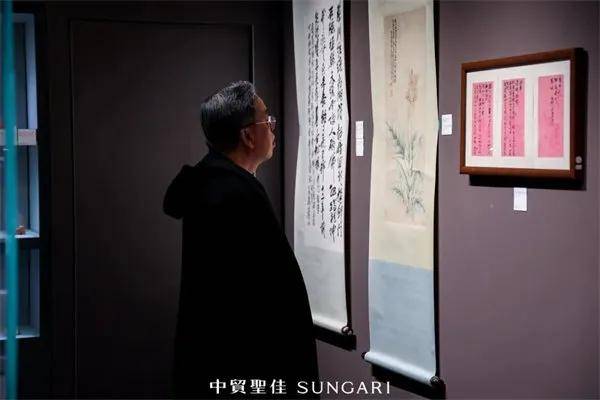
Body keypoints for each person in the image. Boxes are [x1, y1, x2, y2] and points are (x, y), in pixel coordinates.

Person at [163, 81, 319, 399]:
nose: (273, 127)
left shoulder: (211, 184)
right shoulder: (235, 194)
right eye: (267, 119)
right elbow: (267, 299)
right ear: (247, 136)